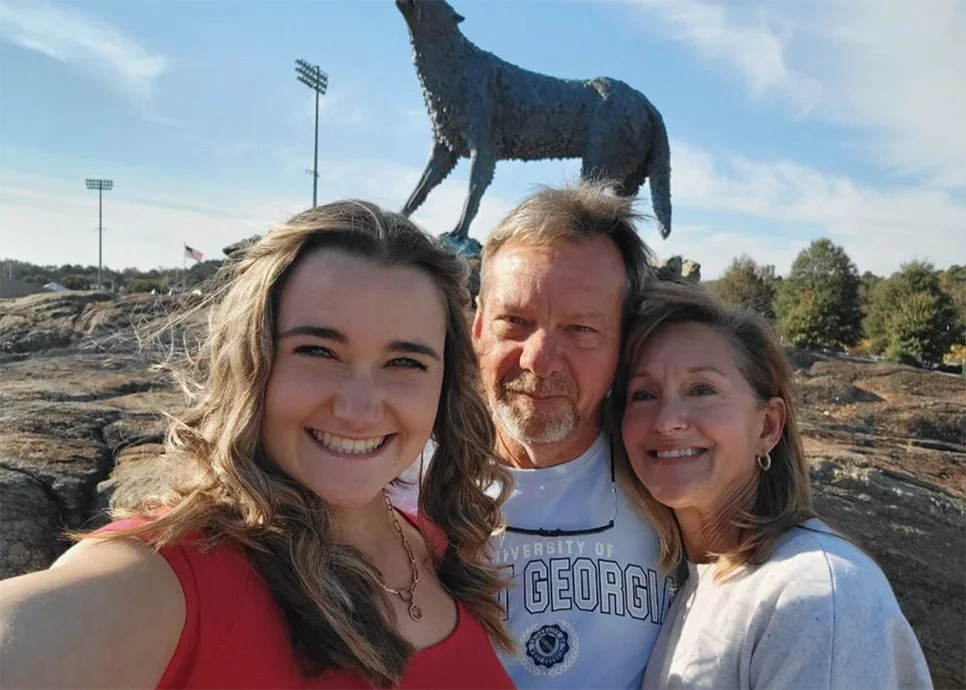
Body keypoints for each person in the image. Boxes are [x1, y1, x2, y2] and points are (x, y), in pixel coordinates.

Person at [0, 201, 516, 690]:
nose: (360, 408)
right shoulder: (174, 575)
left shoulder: (437, 546)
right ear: (251, 365)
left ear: (445, 385)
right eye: (317, 350)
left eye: (405, 362)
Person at [614, 280, 933, 690]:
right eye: (643, 394)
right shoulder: (690, 581)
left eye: (702, 389)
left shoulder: (816, 593)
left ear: (767, 426)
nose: (667, 420)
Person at [472, 181, 672, 689]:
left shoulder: (673, 485)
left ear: (623, 342)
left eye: (581, 329)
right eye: (514, 321)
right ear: (477, 326)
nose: (538, 360)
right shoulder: (400, 485)